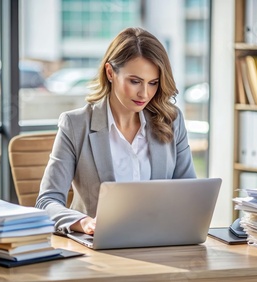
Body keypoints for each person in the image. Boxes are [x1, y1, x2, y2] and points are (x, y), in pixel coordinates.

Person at [35, 27, 196, 235]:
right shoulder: (75, 125)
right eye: (135, 81)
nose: (144, 93)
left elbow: (191, 194)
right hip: (99, 249)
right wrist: (84, 223)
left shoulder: (171, 121)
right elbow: (47, 200)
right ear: (110, 72)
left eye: (153, 83)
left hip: (160, 242)